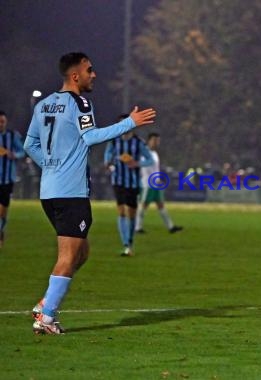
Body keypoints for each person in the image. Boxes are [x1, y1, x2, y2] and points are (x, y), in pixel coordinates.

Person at [24, 52, 156, 334]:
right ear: (75, 76)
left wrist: (49, 165)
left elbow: (29, 144)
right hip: (71, 192)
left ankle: (46, 301)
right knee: (68, 256)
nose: (93, 74)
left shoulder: (45, 104)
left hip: (50, 191)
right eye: (89, 70)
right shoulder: (80, 102)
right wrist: (129, 123)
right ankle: (46, 318)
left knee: (81, 252)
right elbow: (91, 137)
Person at [104, 116, 154, 257]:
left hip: (132, 182)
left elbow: (149, 159)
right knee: (121, 211)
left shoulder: (138, 143)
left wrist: (137, 164)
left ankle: (130, 243)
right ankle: (125, 244)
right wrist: (107, 161)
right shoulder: (115, 140)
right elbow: (108, 152)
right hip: (118, 180)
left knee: (131, 214)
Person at [135, 132, 182, 234]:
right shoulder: (145, 153)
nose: (156, 143)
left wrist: (158, 179)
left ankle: (171, 227)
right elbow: (145, 168)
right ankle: (137, 228)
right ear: (149, 141)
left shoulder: (155, 153)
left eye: (158, 141)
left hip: (155, 183)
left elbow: (155, 168)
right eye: (154, 140)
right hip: (148, 183)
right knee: (143, 205)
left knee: (161, 205)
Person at [0, 111, 25, 247]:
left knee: (3, 211)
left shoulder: (12, 135)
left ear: (6, 122)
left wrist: (14, 155)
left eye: (2, 121)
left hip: (7, 180)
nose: (1, 124)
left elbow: (22, 151)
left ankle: (1, 230)